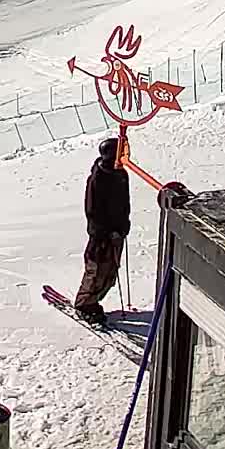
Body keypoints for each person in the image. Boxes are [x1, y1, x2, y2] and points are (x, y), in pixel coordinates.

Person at [77, 137, 132, 322]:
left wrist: (124, 225)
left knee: (111, 269)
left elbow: (125, 202)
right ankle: (85, 303)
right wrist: (103, 232)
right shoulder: (98, 177)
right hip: (102, 235)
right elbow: (92, 209)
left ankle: (95, 300)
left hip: (117, 231)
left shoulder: (121, 173)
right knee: (97, 268)